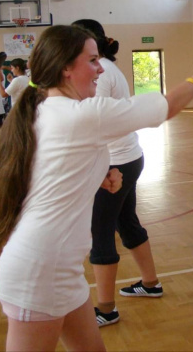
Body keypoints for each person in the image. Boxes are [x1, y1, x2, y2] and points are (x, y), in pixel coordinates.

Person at [0, 25, 193, 351]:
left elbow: (52, 169)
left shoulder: (42, 108)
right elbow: (165, 107)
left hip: (63, 270)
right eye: (92, 60)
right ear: (66, 67)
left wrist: (100, 172)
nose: (99, 68)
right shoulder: (81, 114)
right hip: (38, 272)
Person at [72, 19, 162, 328]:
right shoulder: (109, 67)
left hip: (115, 162)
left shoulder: (100, 71)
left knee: (101, 231)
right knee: (126, 222)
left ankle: (106, 309)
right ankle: (150, 283)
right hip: (128, 157)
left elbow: (93, 121)